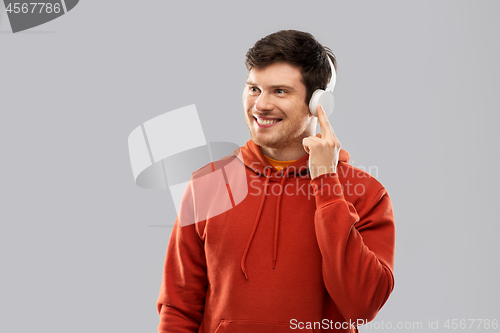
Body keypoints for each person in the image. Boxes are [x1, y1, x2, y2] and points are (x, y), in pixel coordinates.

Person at [157, 30, 395, 333]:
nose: (261, 105)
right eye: (254, 89)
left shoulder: (365, 193)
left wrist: (325, 182)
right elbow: (178, 308)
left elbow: (362, 304)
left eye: (280, 91)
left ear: (318, 103)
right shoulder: (208, 184)